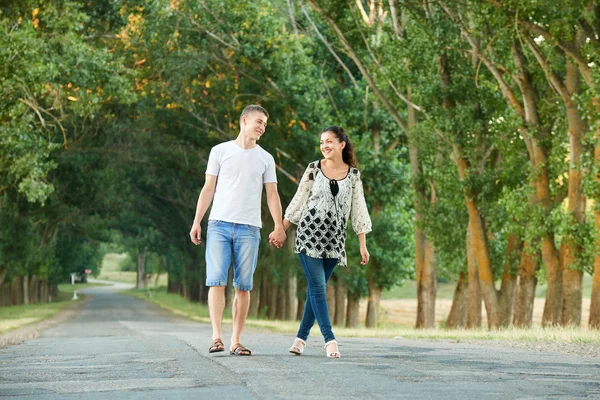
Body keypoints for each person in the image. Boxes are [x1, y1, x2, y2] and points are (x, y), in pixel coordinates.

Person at [189, 104, 286, 356]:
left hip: (249, 228)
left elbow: (272, 194)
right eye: (258, 121)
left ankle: (236, 341)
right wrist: (197, 220)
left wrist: (278, 225)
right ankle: (216, 337)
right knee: (216, 281)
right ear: (244, 120)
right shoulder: (220, 151)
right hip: (219, 225)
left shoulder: (266, 158)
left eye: (264, 123)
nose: (262, 127)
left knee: (243, 286)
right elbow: (208, 188)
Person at [273, 126, 371, 358]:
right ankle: (330, 340)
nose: (324, 146)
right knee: (318, 288)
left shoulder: (354, 176)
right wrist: (281, 229)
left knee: (315, 291)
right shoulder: (313, 169)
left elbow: (359, 209)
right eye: (321, 142)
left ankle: (300, 340)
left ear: (341, 144)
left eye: (329, 141)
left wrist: (362, 244)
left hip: (335, 240)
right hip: (309, 234)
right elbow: (299, 199)